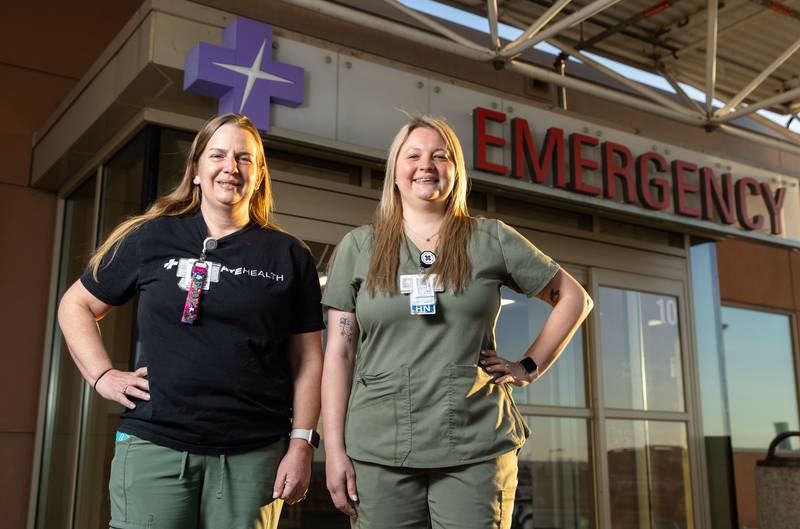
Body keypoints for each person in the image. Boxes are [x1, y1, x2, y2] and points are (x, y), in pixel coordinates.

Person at [321, 116, 593, 529]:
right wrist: (335, 450)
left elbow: (574, 298)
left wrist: (529, 367)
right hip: (379, 450)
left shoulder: (491, 239)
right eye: (413, 156)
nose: (426, 165)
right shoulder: (360, 246)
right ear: (395, 171)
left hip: (475, 446)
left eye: (440, 156)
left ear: (456, 171)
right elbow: (339, 352)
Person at [57, 113, 324, 529]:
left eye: (244, 158)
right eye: (217, 155)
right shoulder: (150, 238)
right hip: (156, 446)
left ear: (259, 175)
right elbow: (75, 306)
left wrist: (302, 443)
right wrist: (103, 375)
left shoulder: (289, 256)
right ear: (196, 170)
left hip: (253, 454)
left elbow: (308, 359)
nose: (230, 168)